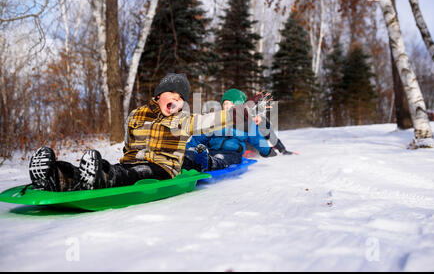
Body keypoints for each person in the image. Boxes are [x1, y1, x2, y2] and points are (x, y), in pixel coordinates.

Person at [28, 73, 270, 192]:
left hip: (162, 167)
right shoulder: (136, 115)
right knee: (123, 167)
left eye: (180, 98)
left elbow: (210, 121)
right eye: (171, 95)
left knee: (134, 172)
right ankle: (58, 175)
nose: (176, 101)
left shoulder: (182, 119)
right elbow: (127, 144)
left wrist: (245, 110)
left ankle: (101, 178)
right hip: (133, 160)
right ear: (158, 96)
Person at [182, 88, 293, 172]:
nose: (228, 107)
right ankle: (189, 158)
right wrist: (187, 149)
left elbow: (258, 138)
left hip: (232, 152)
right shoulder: (216, 120)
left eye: (234, 104)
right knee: (196, 151)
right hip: (211, 150)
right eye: (226, 104)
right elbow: (201, 136)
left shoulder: (248, 122)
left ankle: (209, 162)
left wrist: (270, 151)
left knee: (222, 158)